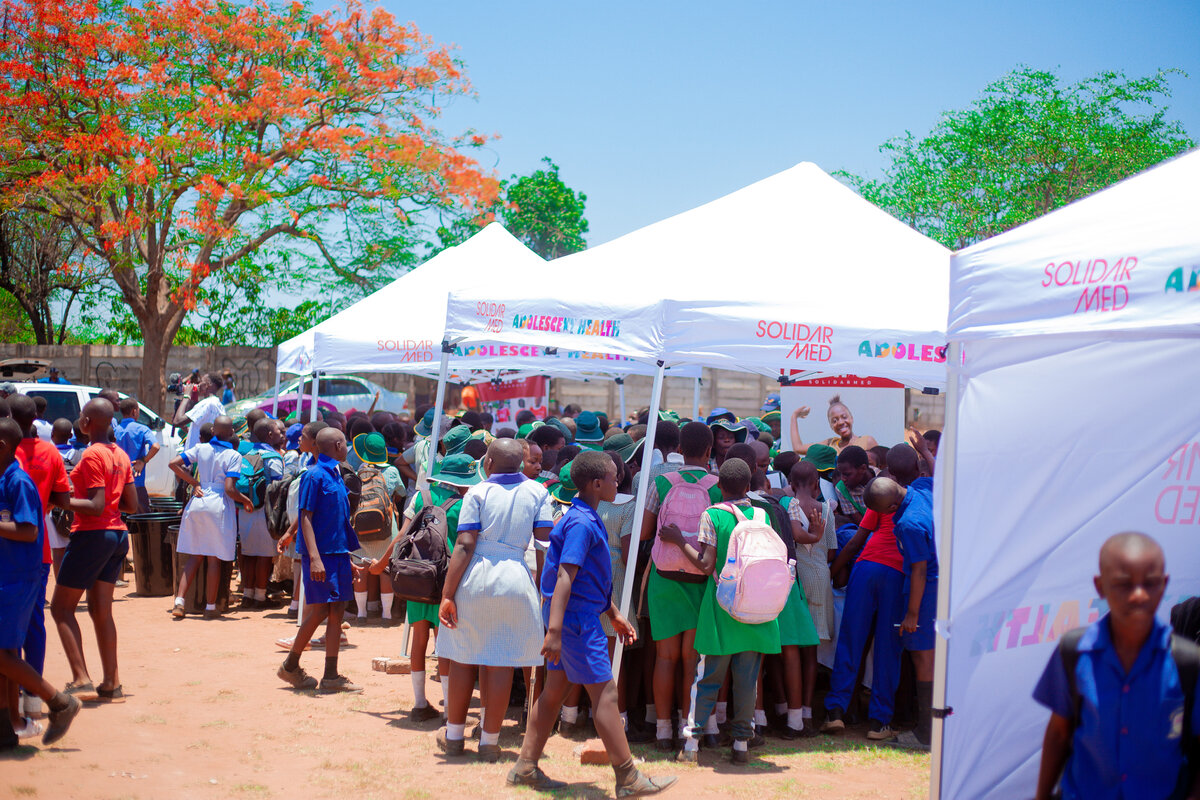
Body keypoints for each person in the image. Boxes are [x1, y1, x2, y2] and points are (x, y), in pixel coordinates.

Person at [509, 451, 677, 796]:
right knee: (606, 694)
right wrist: (554, 631)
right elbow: (565, 579)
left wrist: (612, 612)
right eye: (615, 478)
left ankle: (525, 767)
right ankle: (628, 778)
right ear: (597, 483)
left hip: (578, 617)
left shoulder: (585, 515)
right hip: (576, 622)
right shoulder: (583, 523)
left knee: (555, 692)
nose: (620, 482)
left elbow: (590, 578)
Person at [1034, 532, 1200, 800]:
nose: (1138, 595)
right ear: (1100, 586)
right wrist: (1041, 796)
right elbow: (1058, 732)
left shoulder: (1188, 663)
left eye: (1150, 583)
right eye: (1124, 584)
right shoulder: (1074, 652)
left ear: (1165, 584)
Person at [435, 438, 555, 761]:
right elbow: (545, 543)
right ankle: (489, 742)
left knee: (463, 655)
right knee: (501, 660)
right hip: (516, 577)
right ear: (520, 462)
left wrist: (448, 594)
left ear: (487, 462)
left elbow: (464, 545)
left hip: (477, 577)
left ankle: (455, 736)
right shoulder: (538, 492)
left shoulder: (478, 492)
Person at [663, 458, 781, 764]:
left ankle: (691, 745)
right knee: (747, 679)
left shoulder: (712, 514)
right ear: (749, 485)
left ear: (718, 486)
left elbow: (705, 566)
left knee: (707, 678)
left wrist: (678, 541)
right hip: (756, 606)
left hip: (721, 606)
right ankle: (741, 744)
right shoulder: (762, 515)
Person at [371, 453, 477, 721]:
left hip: (419, 576)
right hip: (448, 582)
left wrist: (381, 564)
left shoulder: (420, 497)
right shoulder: (465, 503)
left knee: (418, 640)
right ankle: (449, 710)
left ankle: (419, 704)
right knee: (445, 646)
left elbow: (401, 536)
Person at [822, 444, 917, 740]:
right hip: (895, 574)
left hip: (865, 569)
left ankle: (835, 712)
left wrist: (831, 571)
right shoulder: (918, 500)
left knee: (851, 640)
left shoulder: (881, 494)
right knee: (888, 648)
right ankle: (879, 722)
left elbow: (855, 542)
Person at [639, 421, 723, 751]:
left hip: (664, 576)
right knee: (693, 660)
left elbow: (646, 532)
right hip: (702, 577)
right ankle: (691, 727)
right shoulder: (718, 486)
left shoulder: (661, 482)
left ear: (678, 450)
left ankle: (662, 730)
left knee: (664, 657)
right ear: (709, 450)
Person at [0, 418, 82, 750]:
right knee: (6, 654)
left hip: (17, 578)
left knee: (4, 655)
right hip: (8, 574)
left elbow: (29, 530)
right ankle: (6, 729)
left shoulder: (17, 481)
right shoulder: (6, 477)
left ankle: (59, 701)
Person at [50, 399, 137, 702]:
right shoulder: (121, 455)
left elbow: (96, 504)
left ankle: (81, 677)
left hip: (92, 536)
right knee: (102, 611)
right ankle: (111, 681)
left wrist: (61, 501)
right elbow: (131, 505)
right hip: (116, 536)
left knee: (61, 608)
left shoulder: (91, 455)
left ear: (86, 421)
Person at [276, 427, 364, 694]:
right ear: (338, 445)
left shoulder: (336, 474)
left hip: (336, 554)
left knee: (336, 612)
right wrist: (314, 558)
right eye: (345, 443)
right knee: (319, 612)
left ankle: (330, 675)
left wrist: (346, 558)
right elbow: (305, 517)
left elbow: (338, 522)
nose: (347, 446)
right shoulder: (314, 475)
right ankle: (290, 666)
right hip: (321, 556)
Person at [863, 469, 936, 751]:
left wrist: (912, 614)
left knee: (923, 660)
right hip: (944, 586)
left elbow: (919, 569)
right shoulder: (924, 489)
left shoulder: (908, 524)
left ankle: (927, 733)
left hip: (928, 590)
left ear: (892, 508)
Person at [9, 396, 70, 729]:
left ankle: (16, 702)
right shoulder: (49, 452)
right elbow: (63, 498)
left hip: (11, 550)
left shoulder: (7, 452)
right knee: (33, 624)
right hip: (40, 548)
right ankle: (32, 701)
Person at [168, 416, 252, 619]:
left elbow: (173, 463)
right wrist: (245, 500)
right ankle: (210, 607)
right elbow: (230, 489)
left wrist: (193, 483)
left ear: (213, 430)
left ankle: (179, 602)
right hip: (218, 505)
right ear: (232, 433)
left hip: (198, 501)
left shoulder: (201, 448)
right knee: (214, 560)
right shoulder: (233, 455)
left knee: (194, 556)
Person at [236, 418, 286, 610]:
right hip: (265, 511)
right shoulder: (272, 456)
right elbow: (278, 485)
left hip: (245, 508)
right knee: (264, 555)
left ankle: (247, 595)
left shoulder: (245, 453)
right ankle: (259, 596)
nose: (282, 435)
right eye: (278, 432)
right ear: (269, 435)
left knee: (248, 553)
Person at [790, 395, 879, 455]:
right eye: (834, 420)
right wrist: (794, 416)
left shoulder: (867, 441)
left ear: (851, 418)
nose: (840, 422)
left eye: (844, 417)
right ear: (831, 426)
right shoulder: (830, 444)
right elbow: (798, 448)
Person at [114, 397, 160, 513]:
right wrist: (143, 460)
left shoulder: (115, 430)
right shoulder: (142, 429)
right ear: (134, 411)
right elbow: (155, 446)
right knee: (142, 516)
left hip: (117, 481)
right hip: (136, 482)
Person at [173, 372, 226, 450]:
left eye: (201, 381)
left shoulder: (206, 403)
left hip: (197, 457)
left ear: (208, 384)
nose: (198, 385)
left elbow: (177, 421)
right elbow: (204, 433)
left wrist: (186, 396)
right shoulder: (219, 405)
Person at [832, 445, 873, 527]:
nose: (843, 479)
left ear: (863, 469)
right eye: (841, 474)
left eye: (847, 474)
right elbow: (862, 524)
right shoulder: (841, 489)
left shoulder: (882, 479)